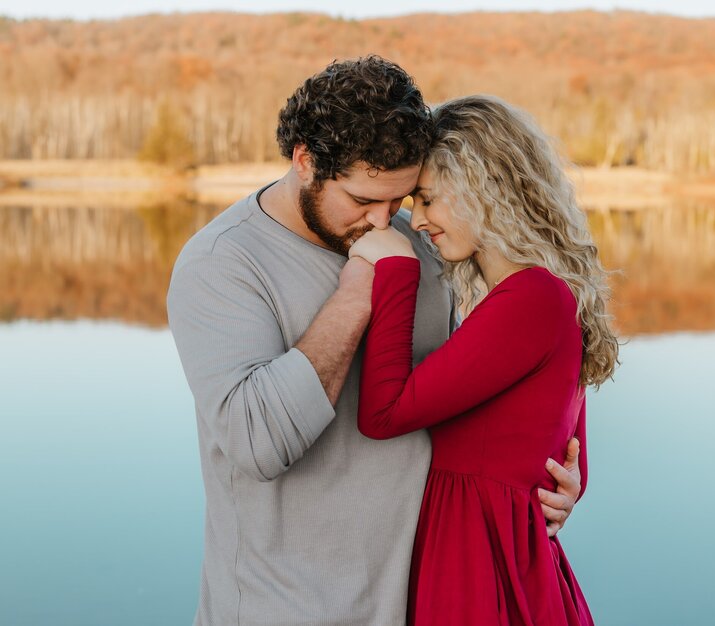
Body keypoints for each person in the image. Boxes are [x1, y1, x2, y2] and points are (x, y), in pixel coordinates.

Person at [167, 57, 582, 626]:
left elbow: (490, 366)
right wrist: (363, 286)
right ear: (306, 161)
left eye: (401, 200)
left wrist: (551, 469)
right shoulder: (225, 264)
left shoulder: (421, 245)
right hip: (287, 608)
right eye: (363, 201)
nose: (384, 221)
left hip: (418, 596)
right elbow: (257, 441)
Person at [350, 95, 619, 625]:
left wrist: (395, 271)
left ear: (483, 187)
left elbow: (383, 415)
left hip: (479, 567)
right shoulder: (532, 296)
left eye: (427, 199)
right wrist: (568, 490)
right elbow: (571, 459)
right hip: (488, 552)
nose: (416, 220)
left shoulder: (531, 299)